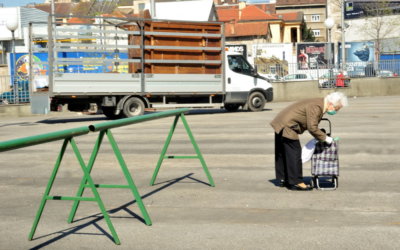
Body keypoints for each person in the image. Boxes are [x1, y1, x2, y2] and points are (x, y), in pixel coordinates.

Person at [270, 92, 348, 191]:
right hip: (287, 126)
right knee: (294, 153)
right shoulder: (317, 106)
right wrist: (325, 138)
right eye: (337, 109)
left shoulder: (319, 103)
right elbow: (312, 128)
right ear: (331, 104)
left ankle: (284, 179)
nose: (336, 111)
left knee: (284, 153)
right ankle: (296, 182)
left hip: (281, 122)